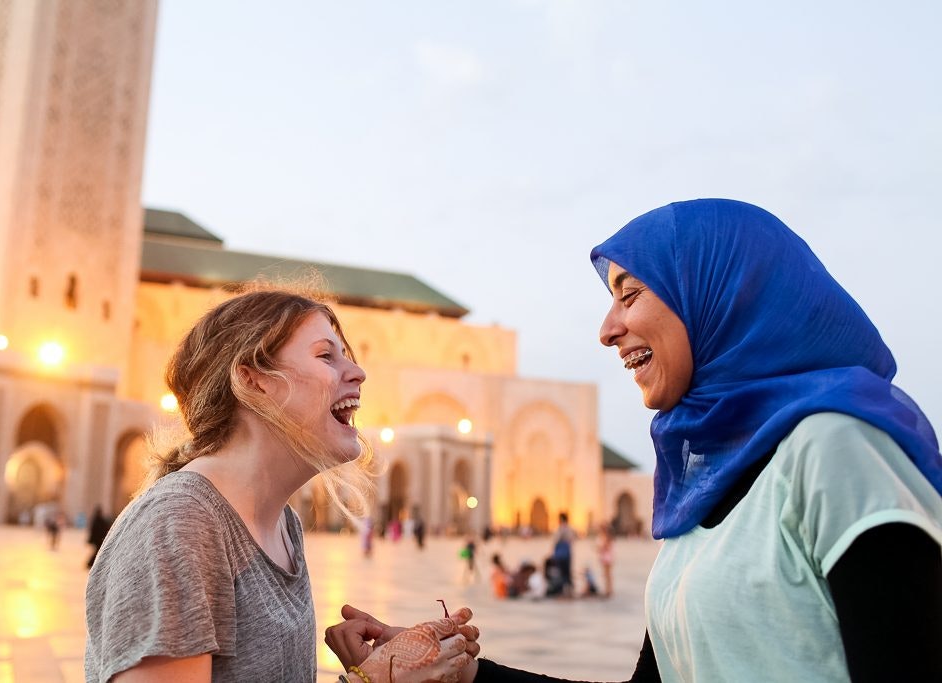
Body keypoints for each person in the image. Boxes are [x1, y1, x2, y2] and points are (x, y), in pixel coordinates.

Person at [341, 199, 942, 682]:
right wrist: (465, 675)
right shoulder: (698, 498)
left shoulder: (837, 449)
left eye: (631, 294)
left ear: (718, 296)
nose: (608, 330)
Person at [84, 287, 478, 682]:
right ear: (253, 380)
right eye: (326, 355)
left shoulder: (284, 525)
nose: (358, 373)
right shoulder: (180, 525)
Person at [551, 512, 574, 597]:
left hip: (561, 553)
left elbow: (556, 540)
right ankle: (569, 590)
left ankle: (562, 591)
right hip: (567, 552)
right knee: (567, 571)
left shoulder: (561, 528)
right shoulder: (569, 528)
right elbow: (572, 540)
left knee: (561, 572)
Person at [596, 525, 613, 599]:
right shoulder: (607, 537)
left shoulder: (606, 537)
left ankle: (608, 590)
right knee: (607, 575)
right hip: (607, 557)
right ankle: (608, 589)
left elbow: (605, 547)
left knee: (607, 575)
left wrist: (599, 548)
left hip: (606, 558)